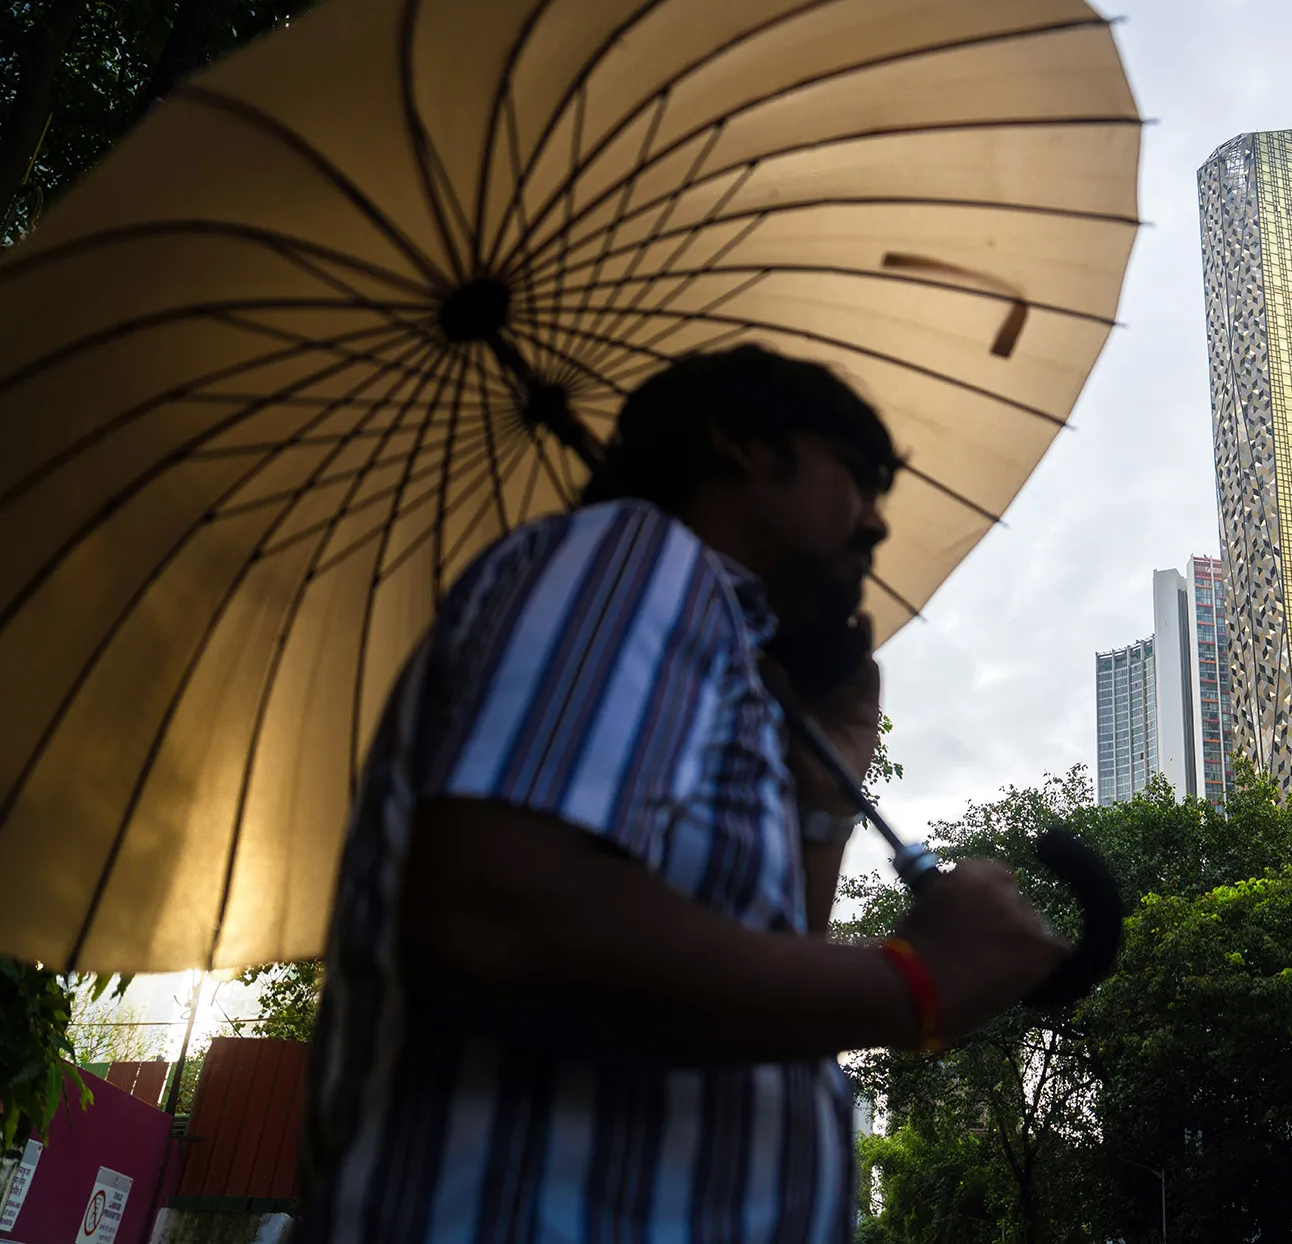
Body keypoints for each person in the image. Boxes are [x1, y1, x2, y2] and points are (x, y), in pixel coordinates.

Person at [292, 345, 1068, 1244]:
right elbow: (496, 916)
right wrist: (914, 982)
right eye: (855, 474)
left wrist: (821, 796)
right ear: (743, 444)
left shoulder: (699, 635)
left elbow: (746, 978)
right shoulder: (633, 554)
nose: (874, 522)